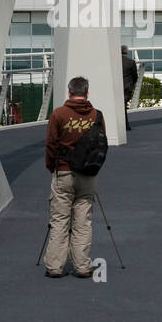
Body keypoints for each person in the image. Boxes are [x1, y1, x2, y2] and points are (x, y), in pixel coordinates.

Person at [43, 76, 104, 278]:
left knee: (60, 219)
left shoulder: (58, 114)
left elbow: (51, 144)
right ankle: (82, 265)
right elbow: (100, 146)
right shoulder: (96, 115)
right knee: (83, 221)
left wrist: (52, 166)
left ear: (69, 93)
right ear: (87, 93)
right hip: (87, 174)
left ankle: (55, 266)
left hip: (63, 172)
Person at [121, 45, 138, 131]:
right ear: (126, 51)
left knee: (121, 106)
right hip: (127, 87)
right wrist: (132, 84)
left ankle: (125, 125)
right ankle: (125, 126)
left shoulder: (115, 61)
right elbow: (135, 76)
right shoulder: (131, 62)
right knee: (122, 106)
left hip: (117, 88)